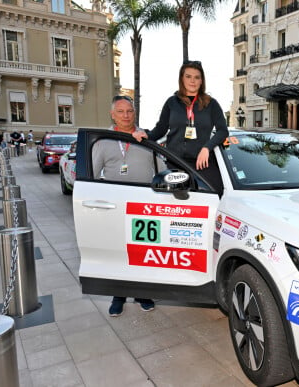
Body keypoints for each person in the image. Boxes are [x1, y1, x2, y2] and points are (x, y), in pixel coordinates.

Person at [93, 95, 156, 316]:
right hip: (115, 206)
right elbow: (90, 174)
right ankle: (118, 295)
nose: (126, 115)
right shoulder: (103, 141)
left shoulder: (146, 138)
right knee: (118, 251)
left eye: (129, 111)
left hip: (143, 205)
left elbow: (162, 168)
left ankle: (141, 293)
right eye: (120, 111)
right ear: (113, 114)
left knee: (142, 251)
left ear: (134, 113)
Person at [133, 61, 228, 192]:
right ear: (182, 79)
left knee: (216, 194)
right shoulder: (171, 103)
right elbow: (161, 128)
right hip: (175, 161)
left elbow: (223, 131)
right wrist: (147, 135)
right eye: (188, 76)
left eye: (197, 77)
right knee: (177, 203)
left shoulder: (211, 104)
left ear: (201, 81)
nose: (192, 81)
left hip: (203, 163)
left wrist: (207, 148)